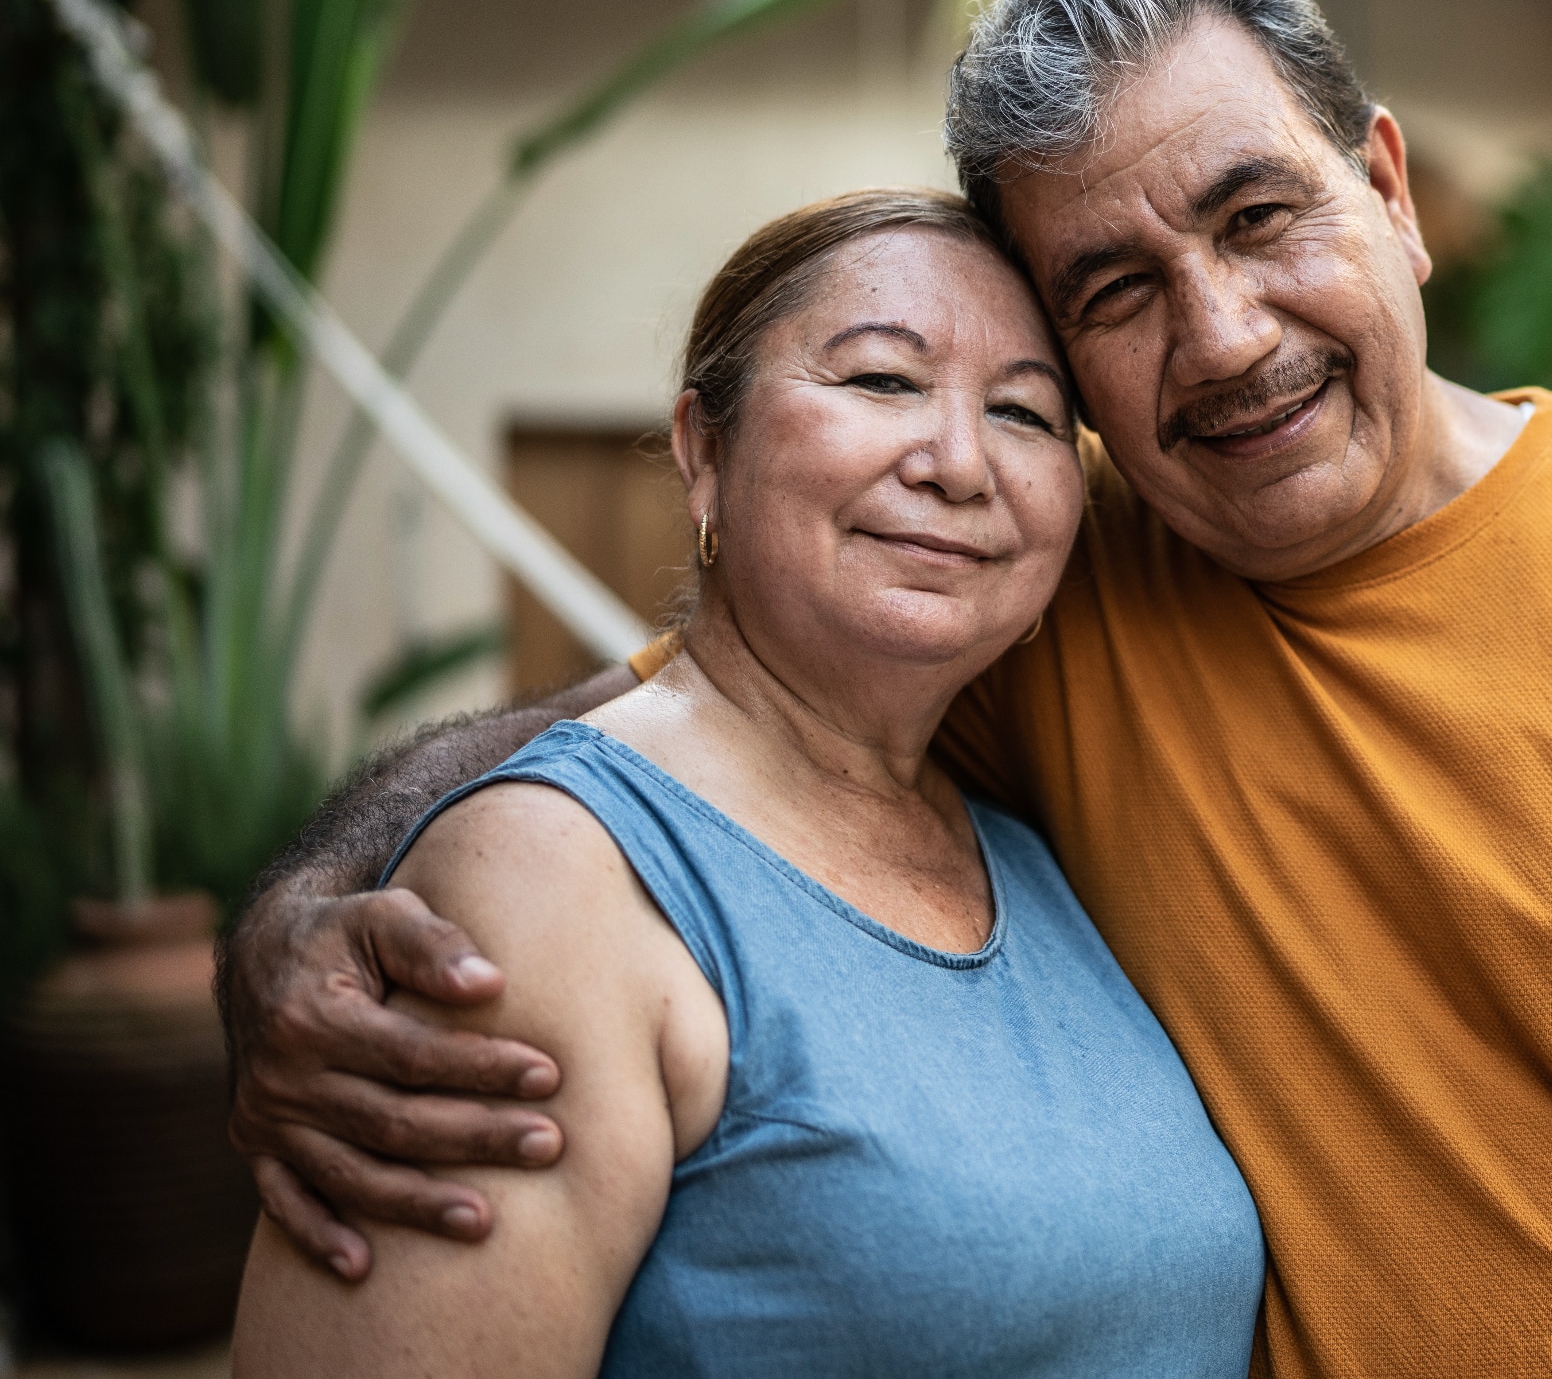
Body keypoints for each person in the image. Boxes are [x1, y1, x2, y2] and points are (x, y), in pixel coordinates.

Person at [221, 0, 1552, 1378]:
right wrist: (306, 907)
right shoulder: (1039, 592)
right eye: (1111, 292)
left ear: (1389, 194)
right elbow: (668, 746)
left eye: (1260, 219)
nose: (1223, 335)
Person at [228, 190, 1264, 1377]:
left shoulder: (1031, 845)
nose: (960, 461)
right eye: (880, 380)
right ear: (703, 450)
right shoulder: (544, 882)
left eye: (1026, 412)